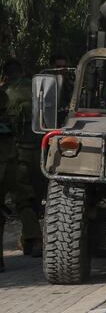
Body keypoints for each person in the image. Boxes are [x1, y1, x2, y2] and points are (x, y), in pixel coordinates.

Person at [1, 58, 41, 258]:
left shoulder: (5, 93)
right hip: (42, 149)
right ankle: (30, 240)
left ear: (6, 75)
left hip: (16, 153)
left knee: (23, 201)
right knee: (36, 199)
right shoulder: (37, 88)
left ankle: (33, 240)